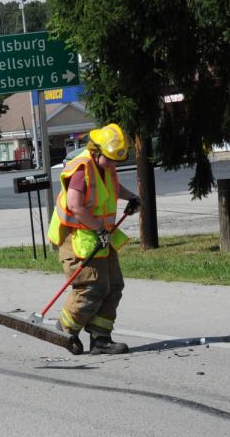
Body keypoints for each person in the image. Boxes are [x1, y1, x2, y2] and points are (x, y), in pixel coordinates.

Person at [47, 123, 141, 355]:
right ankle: (65, 331)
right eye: (109, 160)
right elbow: (75, 206)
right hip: (78, 237)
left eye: (115, 162)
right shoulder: (81, 169)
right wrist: (99, 229)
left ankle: (101, 339)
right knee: (92, 287)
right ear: (97, 151)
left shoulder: (105, 165)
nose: (112, 165)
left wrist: (132, 197)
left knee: (114, 286)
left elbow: (113, 187)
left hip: (100, 236)